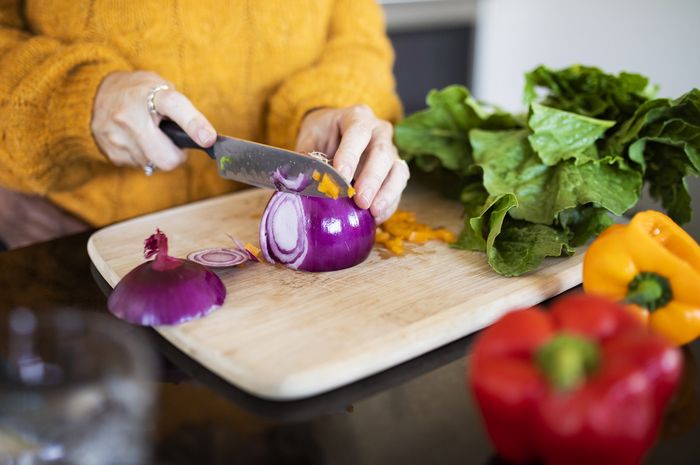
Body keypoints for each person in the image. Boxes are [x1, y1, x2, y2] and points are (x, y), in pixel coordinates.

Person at [0, 0, 409, 249]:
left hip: (254, 252)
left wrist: (329, 106)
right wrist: (79, 97)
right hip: (72, 237)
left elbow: (355, 36)